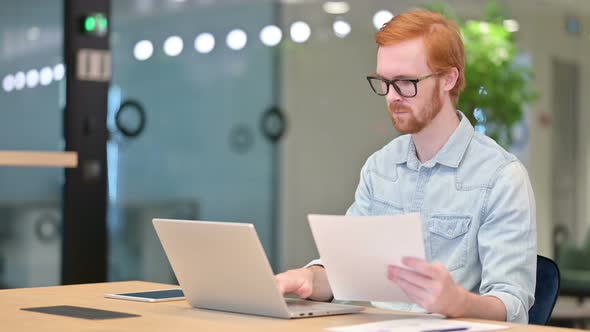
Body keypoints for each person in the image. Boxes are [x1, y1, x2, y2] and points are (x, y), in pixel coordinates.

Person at [275, 9, 536, 324]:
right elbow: (346, 270)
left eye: (405, 82)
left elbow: (513, 305)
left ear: (448, 79)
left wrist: (458, 301)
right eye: (384, 82)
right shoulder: (380, 167)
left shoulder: (501, 178)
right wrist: (307, 278)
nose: (392, 97)